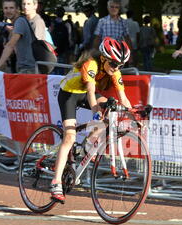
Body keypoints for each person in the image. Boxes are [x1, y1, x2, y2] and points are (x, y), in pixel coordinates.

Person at [49, 37, 132, 202]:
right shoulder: (91, 64)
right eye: (114, 64)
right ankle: (56, 182)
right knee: (70, 136)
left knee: (111, 113)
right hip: (70, 94)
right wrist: (95, 111)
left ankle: (87, 145)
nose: (116, 68)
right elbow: (91, 93)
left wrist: (134, 115)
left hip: (86, 94)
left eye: (120, 66)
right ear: (103, 58)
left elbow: (123, 98)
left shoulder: (115, 71)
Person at [0, 0, 36, 74]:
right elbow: (13, 48)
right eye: (6, 8)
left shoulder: (20, 22)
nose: (8, 11)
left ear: (17, 9)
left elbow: (10, 46)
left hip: (28, 69)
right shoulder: (17, 23)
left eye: (11, 8)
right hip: (24, 67)